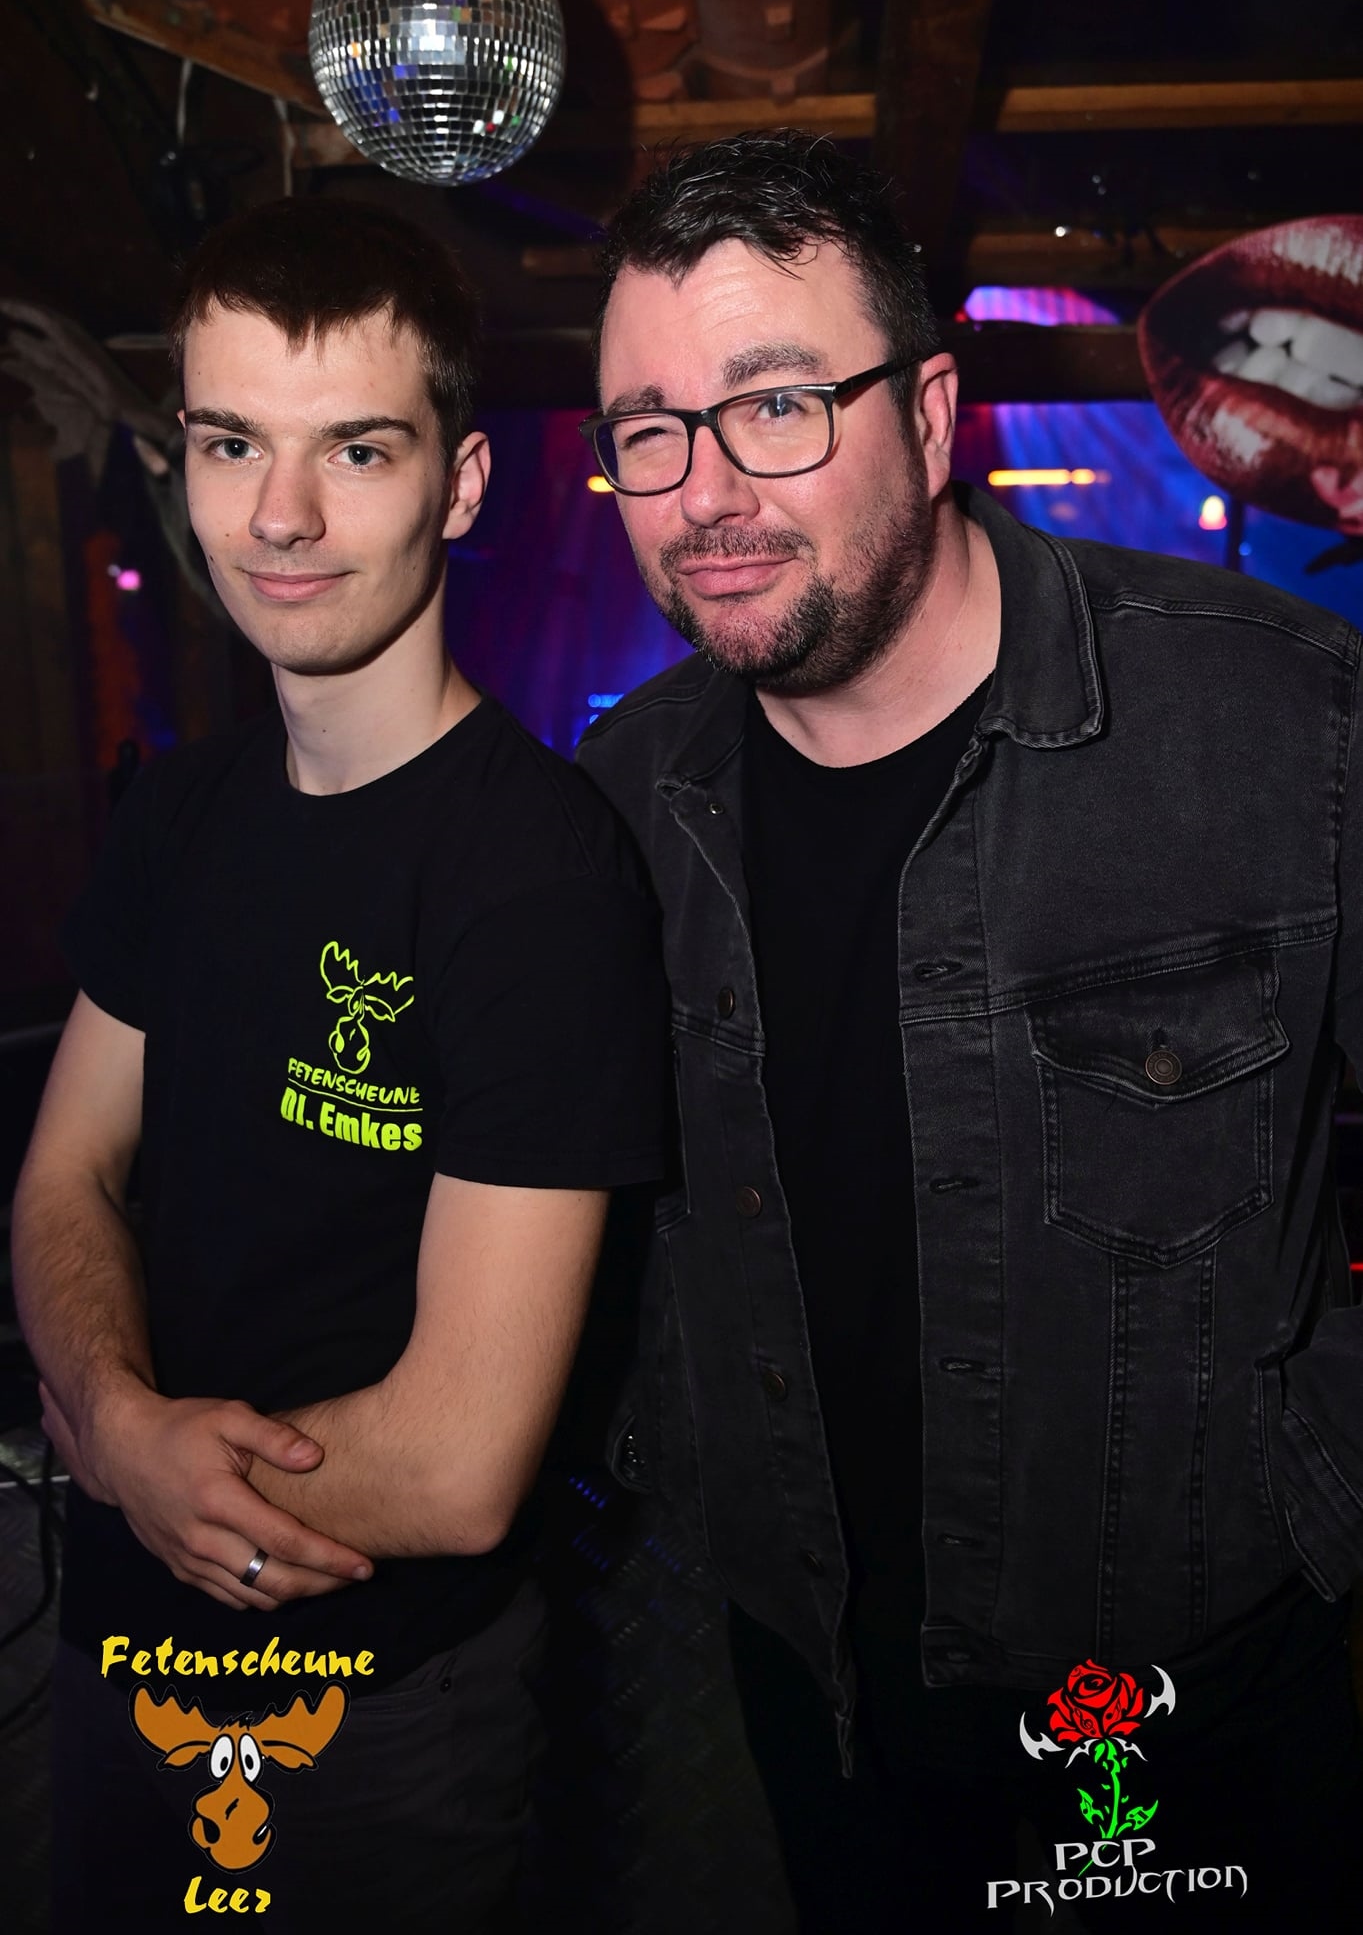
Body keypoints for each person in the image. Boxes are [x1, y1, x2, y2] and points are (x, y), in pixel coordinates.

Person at [576, 130, 1363, 1931]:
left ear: (931, 418)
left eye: (778, 405)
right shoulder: (618, 805)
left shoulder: (1282, 725)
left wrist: (1324, 1473)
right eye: (649, 430)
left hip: (1182, 1700)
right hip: (803, 1687)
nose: (707, 491)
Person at [13, 196, 667, 1933]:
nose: (280, 518)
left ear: (461, 485)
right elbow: (64, 1177)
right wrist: (120, 1419)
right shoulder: (182, 812)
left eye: (356, 450)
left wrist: (133, 1462)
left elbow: (460, 1465)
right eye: (233, 444)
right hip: (115, 1659)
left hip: (375, 1714)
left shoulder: (538, 879)